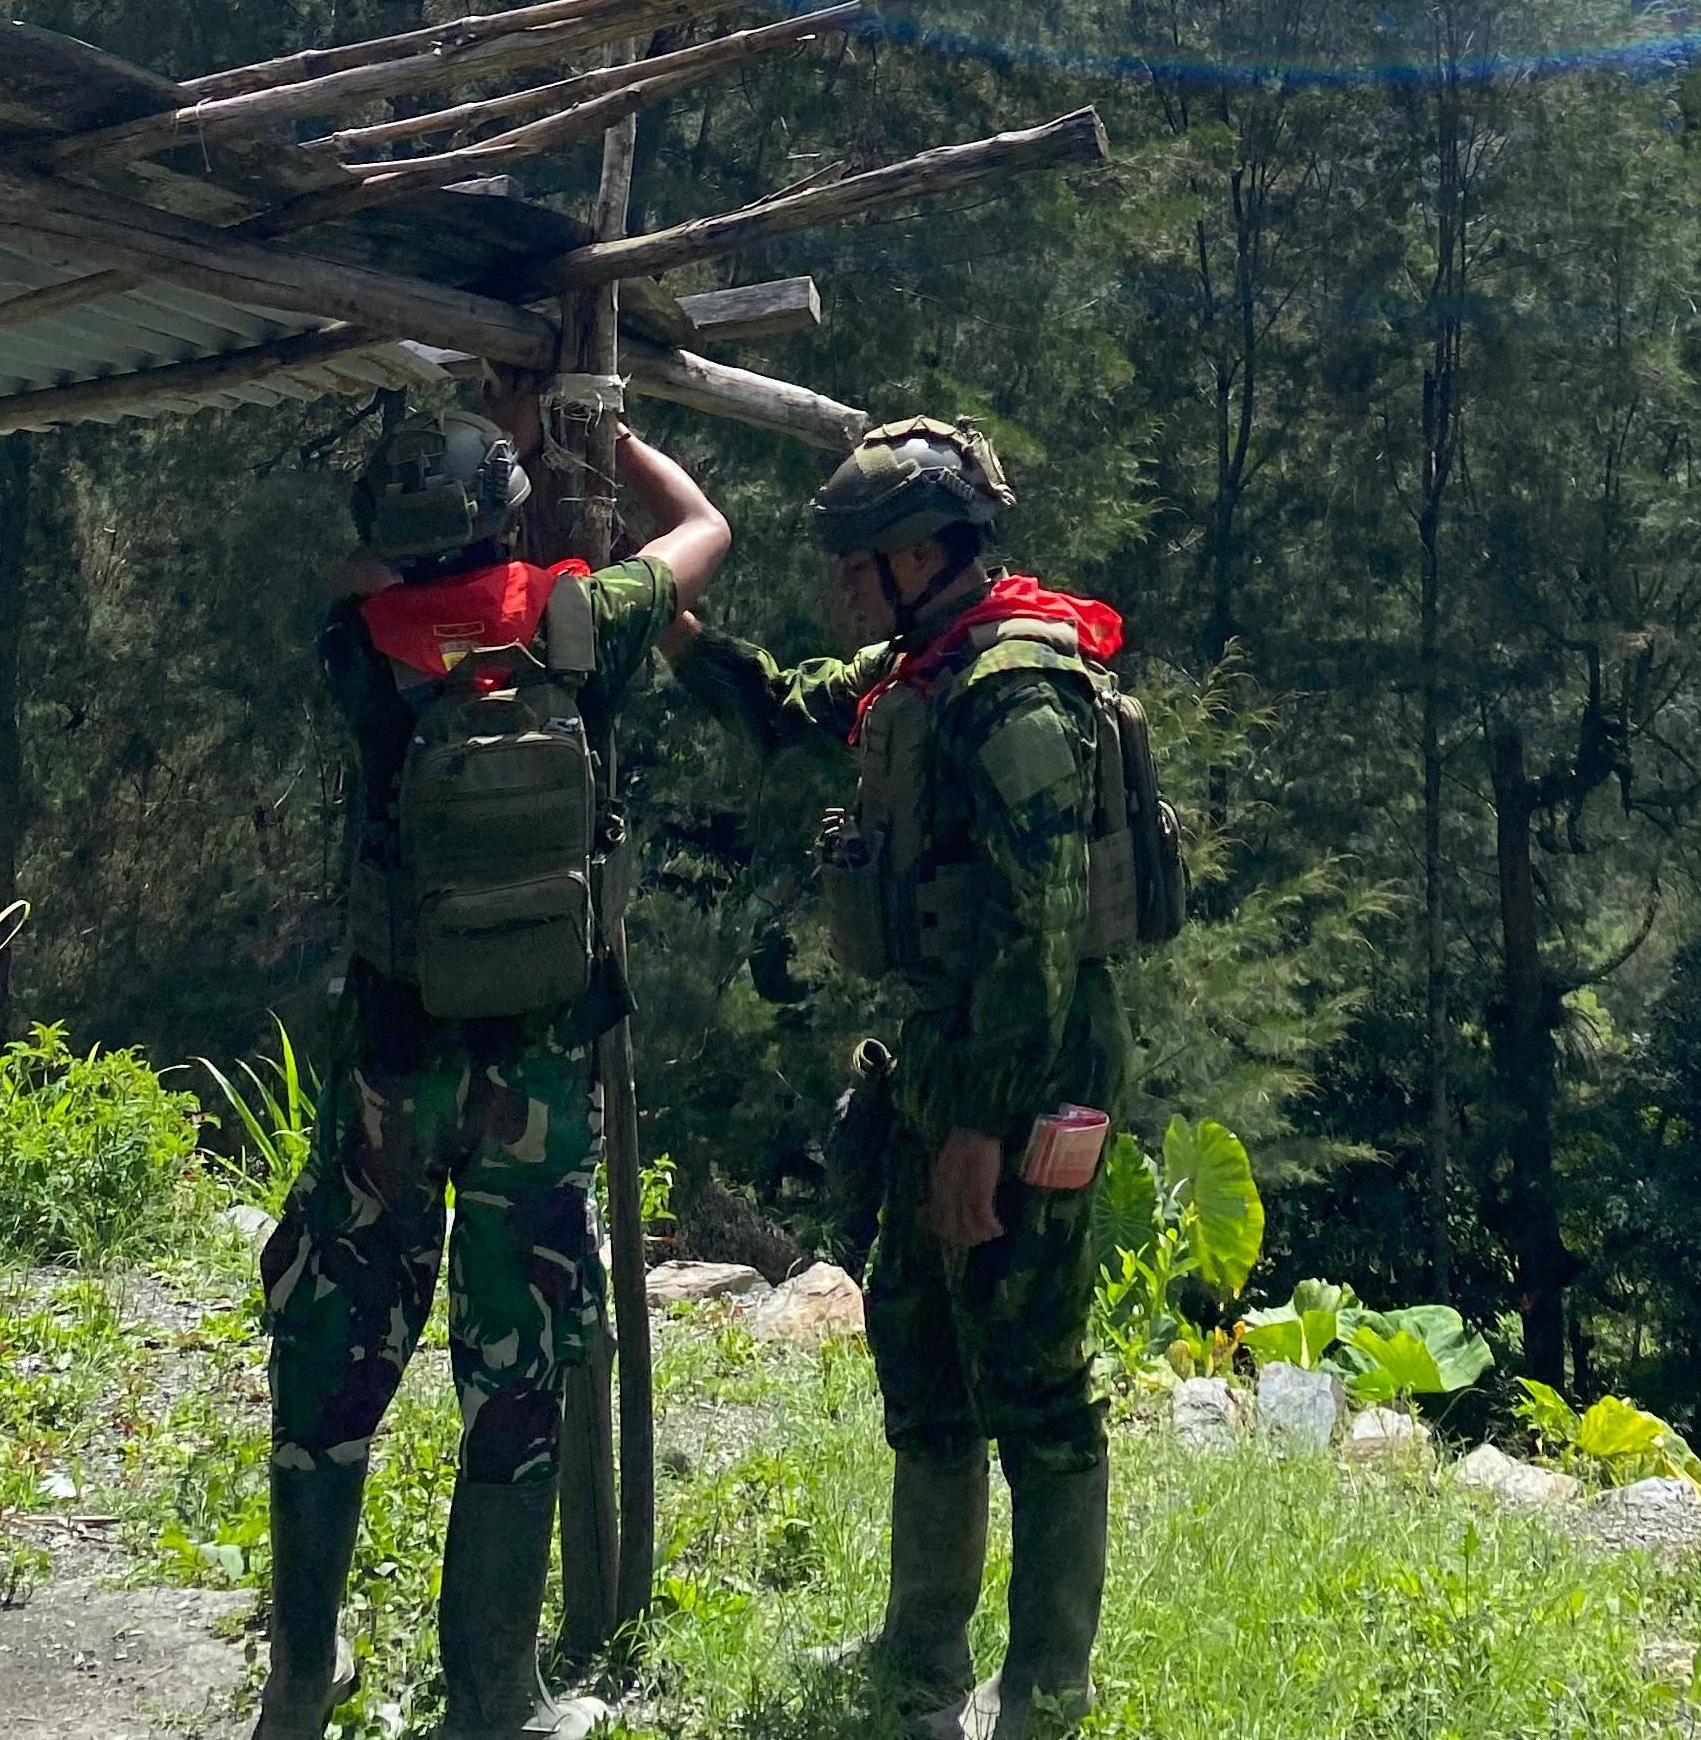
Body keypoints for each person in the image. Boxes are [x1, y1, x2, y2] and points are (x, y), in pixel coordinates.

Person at [256, 397, 729, 1740]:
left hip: (391, 1068)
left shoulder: (360, 644)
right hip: (537, 1074)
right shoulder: (579, 619)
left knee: (339, 1339)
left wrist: (392, 560)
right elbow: (706, 530)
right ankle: (493, 1697)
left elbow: (352, 580)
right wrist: (607, 438)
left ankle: (301, 1683)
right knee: (516, 1365)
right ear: (508, 506)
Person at [673, 414, 1130, 1740]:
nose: (836, 586)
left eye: (855, 562)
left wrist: (985, 1132)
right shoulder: (919, 671)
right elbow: (783, 709)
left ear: (921, 553)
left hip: (1039, 1074)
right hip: (949, 1050)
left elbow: (1042, 938)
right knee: (919, 1344)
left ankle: (1047, 1691)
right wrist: (669, 629)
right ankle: (923, 1656)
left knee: (1032, 1368)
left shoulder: (1015, 694)